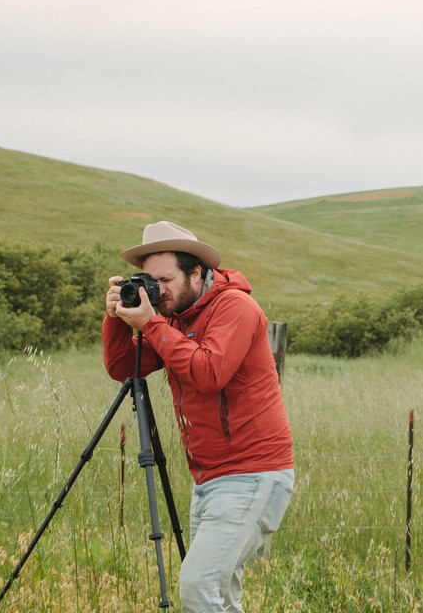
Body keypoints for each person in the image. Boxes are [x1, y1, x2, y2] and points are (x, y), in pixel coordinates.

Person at [103, 220, 293, 613]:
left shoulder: (236, 308)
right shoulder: (173, 319)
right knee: (221, 597)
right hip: (209, 476)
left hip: (252, 472)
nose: (158, 290)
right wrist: (117, 319)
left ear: (196, 272)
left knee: (198, 586)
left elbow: (208, 374)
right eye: (149, 281)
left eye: (165, 279)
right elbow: (124, 367)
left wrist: (151, 324)